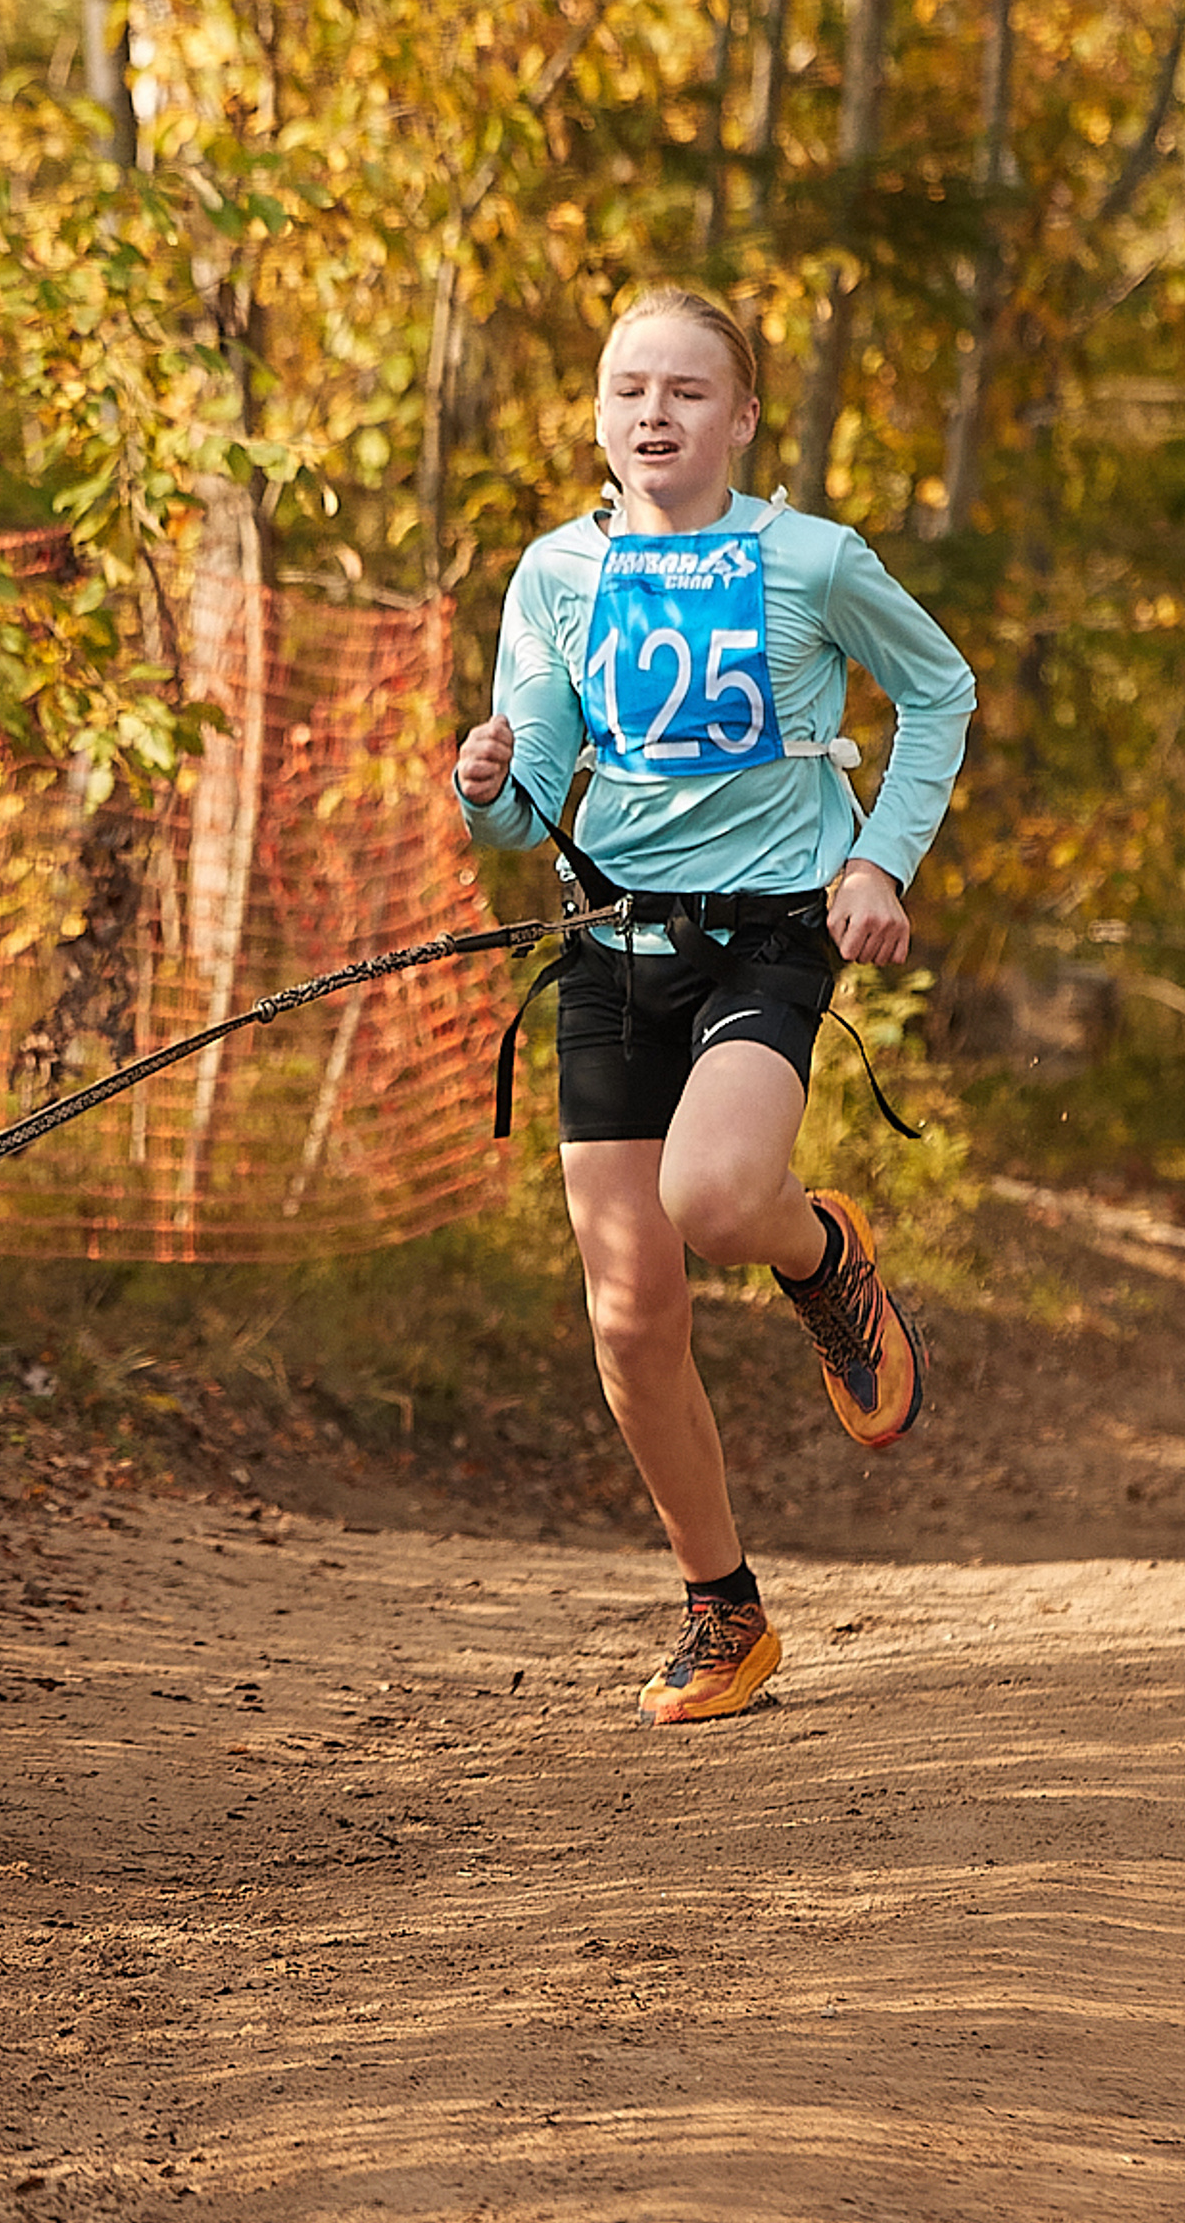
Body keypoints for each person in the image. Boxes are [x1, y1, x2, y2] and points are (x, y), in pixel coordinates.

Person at [453, 283, 977, 1724]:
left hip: (767, 941)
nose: (654, 415)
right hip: (614, 954)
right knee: (630, 1320)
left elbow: (941, 691)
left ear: (740, 417)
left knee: (718, 1196)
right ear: (601, 417)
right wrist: (490, 784)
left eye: (687, 392)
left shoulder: (811, 558)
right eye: (630, 391)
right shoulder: (558, 572)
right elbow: (529, 801)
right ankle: (723, 1611)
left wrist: (878, 857)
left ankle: (825, 1260)